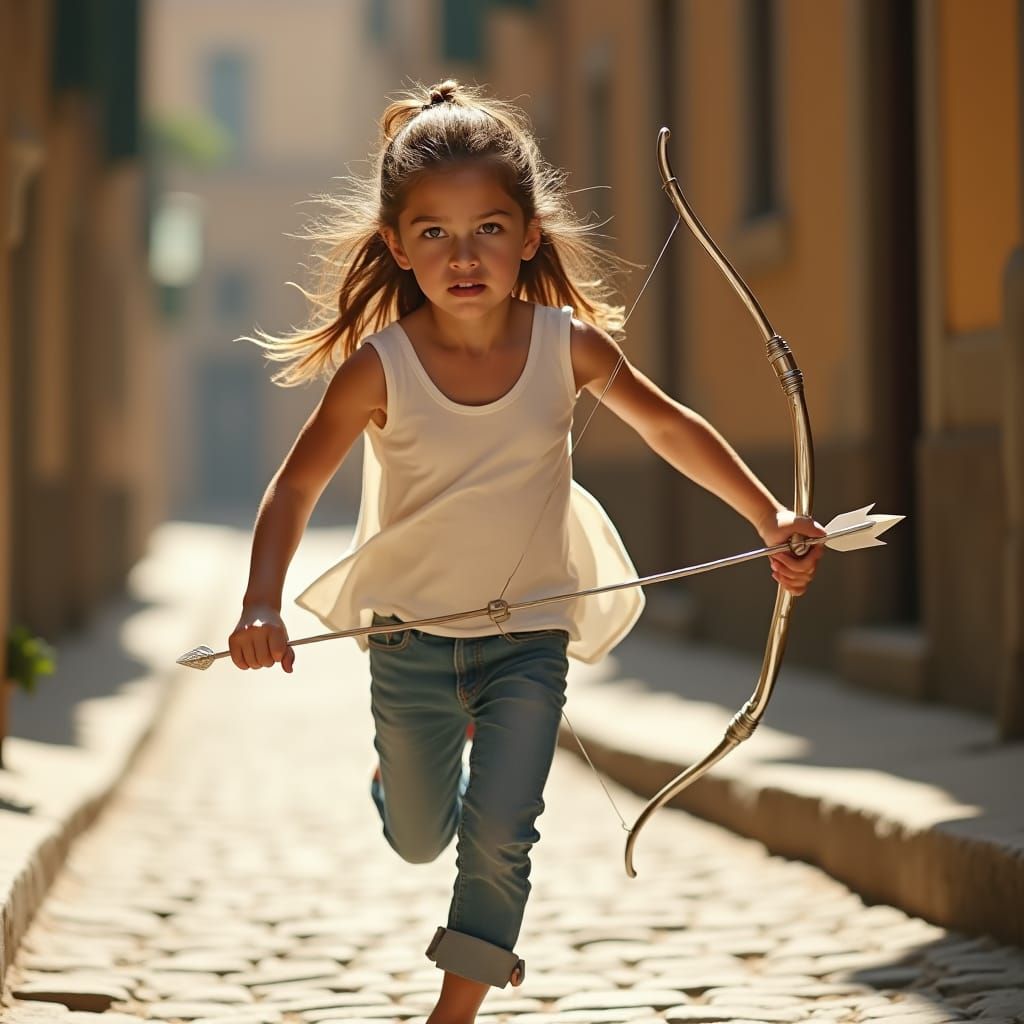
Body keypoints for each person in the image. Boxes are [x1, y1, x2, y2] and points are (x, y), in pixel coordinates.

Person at [228, 79, 823, 1024]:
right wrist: (262, 602)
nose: (464, 257)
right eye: (434, 234)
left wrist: (768, 515)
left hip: (528, 637)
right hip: (408, 641)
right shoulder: (380, 365)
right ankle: (396, 778)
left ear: (530, 235)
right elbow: (294, 487)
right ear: (396, 245)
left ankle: (454, 1011)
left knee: (503, 829)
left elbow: (671, 430)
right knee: (422, 837)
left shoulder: (567, 347)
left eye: (489, 230)